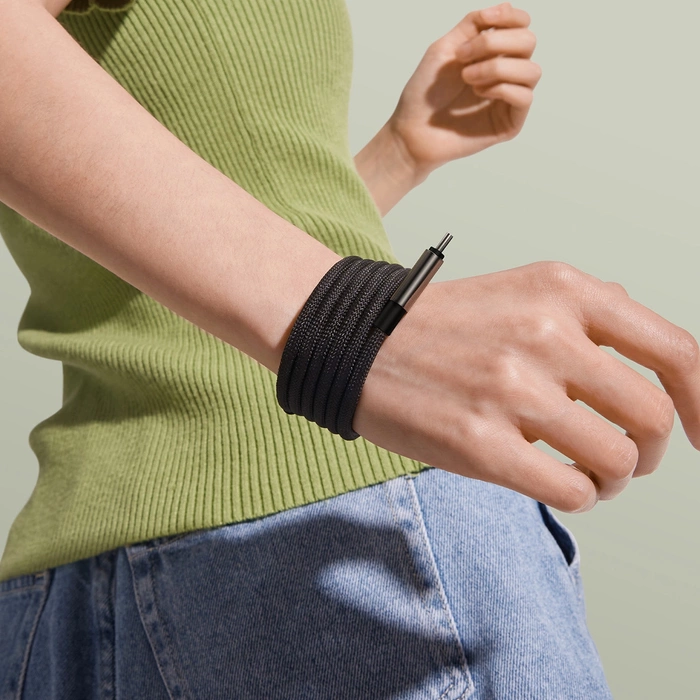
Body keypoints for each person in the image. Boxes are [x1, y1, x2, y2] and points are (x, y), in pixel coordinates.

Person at [0, 0, 698, 697]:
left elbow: (160, 294)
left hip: (77, 587)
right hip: (340, 532)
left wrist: (400, 153)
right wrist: (347, 322)